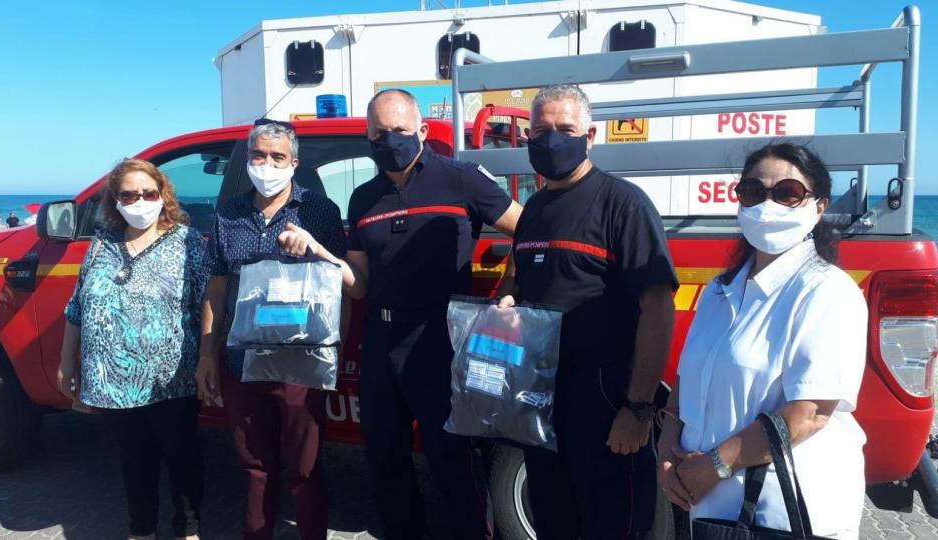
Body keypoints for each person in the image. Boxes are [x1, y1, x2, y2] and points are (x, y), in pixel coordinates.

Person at [656, 143, 867, 539]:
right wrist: (666, 453)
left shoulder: (826, 291)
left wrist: (713, 466)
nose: (768, 204)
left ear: (819, 207)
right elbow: (686, 381)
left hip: (783, 514)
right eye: (754, 192)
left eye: (787, 192)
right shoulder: (720, 292)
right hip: (711, 510)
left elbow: (810, 412)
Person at [495, 84, 678, 539]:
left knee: (613, 524)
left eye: (565, 129)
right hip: (539, 399)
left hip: (603, 398)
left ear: (590, 136)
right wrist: (507, 302)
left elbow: (657, 307)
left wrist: (636, 409)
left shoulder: (623, 204)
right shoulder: (534, 210)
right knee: (554, 519)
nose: (552, 140)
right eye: (541, 131)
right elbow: (521, 281)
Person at [346, 88, 522, 539]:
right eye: (378, 133)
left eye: (400, 131)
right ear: (367, 137)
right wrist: (324, 262)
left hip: (441, 339)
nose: (389, 141)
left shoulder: (460, 180)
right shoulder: (361, 199)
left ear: (422, 130)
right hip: (381, 342)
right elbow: (360, 283)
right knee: (385, 458)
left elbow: (530, 230)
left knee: (452, 459)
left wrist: (508, 288)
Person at [196, 119, 360, 540]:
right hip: (241, 362)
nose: (266, 164)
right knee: (254, 465)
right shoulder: (229, 213)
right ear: (248, 159)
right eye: (258, 155)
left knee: (305, 467)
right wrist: (207, 355)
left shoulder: (319, 211)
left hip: (300, 365)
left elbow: (340, 286)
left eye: (277, 157)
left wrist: (333, 356)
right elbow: (217, 288)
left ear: (294, 163)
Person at [57, 158, 210, 540]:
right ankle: (141, 531)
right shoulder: (100, 244)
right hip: (112, 382)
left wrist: (209, 357)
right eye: (129, 194)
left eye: (148, 193)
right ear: (115, 200)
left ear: (163, 195)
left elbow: (209, 303)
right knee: (134, 459)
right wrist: (66, 360)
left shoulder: (187, 242)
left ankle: (187, 530)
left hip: (170, 378)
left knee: (182, 458)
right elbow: (78, 305)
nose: (139, 201)